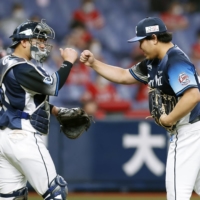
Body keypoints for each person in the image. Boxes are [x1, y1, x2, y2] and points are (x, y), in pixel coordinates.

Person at [80, 17, 200, 200]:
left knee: (177, 194)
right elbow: (123, 75)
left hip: (190, 131)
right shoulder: (153, 63)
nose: (139, 47)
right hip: (192, 131)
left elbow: (193, 95)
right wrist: (94, 64)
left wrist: (169, 119)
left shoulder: (174, 60)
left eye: (141, 41)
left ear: (154, 38)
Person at [0, 19, 78, 199]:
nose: (43, 45)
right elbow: (53, 86)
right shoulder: (21, 67)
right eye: (39, 40)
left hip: (4, 139)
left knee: (11, 197)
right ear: (24, 41)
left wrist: (53, 110)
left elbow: (17, 100)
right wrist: (68, 62)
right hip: (24, 137)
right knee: (55, 191)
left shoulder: (5, 62)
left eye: (44, 41)